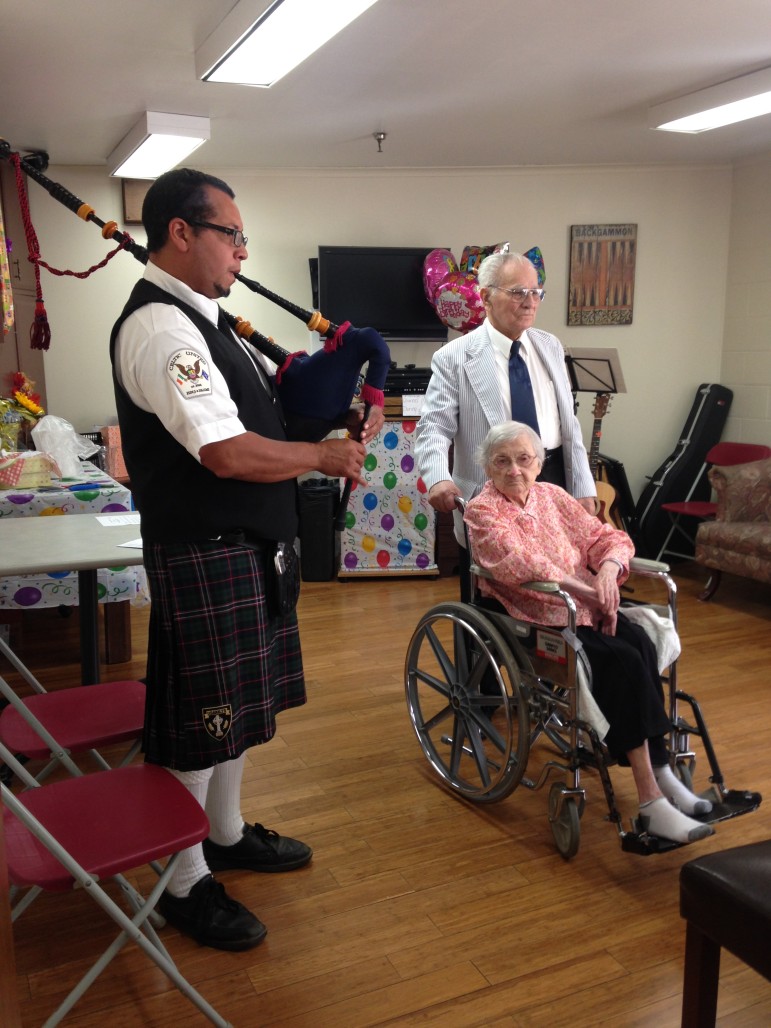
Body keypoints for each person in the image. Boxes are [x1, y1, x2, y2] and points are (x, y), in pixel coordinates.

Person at [110, 167, 384, 951]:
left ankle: (223, 832)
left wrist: (334, 380)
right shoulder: (162, 328)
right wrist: (319, 457)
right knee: (204, 721)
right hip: (206, 549)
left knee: (237, 709)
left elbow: (264, 406)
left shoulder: (210, 321)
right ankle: (183, 879)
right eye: (230, 233)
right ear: (180, 234)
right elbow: (225, 452)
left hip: (248, 548)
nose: (242, 249)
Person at [463, 421, 715, 846]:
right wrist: (591, 594)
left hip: (586, 603)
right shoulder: (482, 510)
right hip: (537, 610)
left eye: (524, 459)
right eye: (501, 461)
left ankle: (664, 773)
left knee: (639, 642)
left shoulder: (554, 497)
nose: (514, 470)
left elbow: (604, 538)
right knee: (622, 660)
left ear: (539, 463)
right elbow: (522, 565)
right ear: (487, 466)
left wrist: (611, 571)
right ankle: (651, 799)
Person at [415, 250, 596, 596]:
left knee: (557, 581)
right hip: (492, 487)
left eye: (535, 292)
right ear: (485, 296)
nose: (529, 302)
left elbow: (568, 423)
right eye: (517, 292)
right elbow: (434, 427)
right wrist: (438, 477)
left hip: (554, 476)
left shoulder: (550, 345)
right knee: (492, 590)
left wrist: (584, 485)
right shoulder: (454, 357)